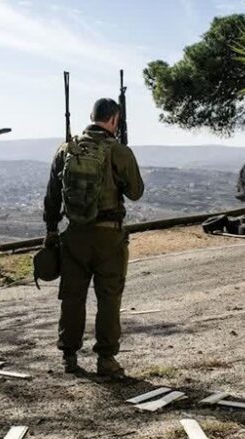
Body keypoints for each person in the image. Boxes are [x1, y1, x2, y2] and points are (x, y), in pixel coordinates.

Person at [42, 97, 144, 378]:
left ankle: (70, 355)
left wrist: (51, 231)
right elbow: (136, 192)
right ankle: (106, 359)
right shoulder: (119, 152)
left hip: (75, 235)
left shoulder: (66, 150)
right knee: (108, 298)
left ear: (92, 116)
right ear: (115, 119)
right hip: (109, 237)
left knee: (72, 297)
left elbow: (52, 197)